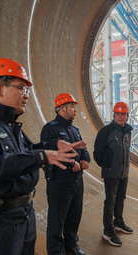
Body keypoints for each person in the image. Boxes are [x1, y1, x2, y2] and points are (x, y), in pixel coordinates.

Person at [0, 58, 77, 255]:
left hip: (23, 218)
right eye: (22, 88)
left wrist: (54, 146)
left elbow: (26, 152)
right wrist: (42, 156)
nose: (27, 95)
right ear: (0, 89)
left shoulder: (9, 125)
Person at [40, 93, 90, 255]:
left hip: (76, 181)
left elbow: (82, 148)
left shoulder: (75, 130)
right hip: (59, 182)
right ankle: (56, 251)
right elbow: (48, 150)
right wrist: (71, 164)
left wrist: (85, 159)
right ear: (61, 108)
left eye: (75, 106)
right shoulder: (50, 129)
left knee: (74, 215)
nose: (75, 109)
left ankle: (71, 245)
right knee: (57, 220)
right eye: (72, 106)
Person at [93, 102, 133, 247]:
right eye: (118, 114)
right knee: (110, 201)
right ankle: (108, 230)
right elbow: (97, 153)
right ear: (114, 115)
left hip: (124, 172)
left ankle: (118, 222)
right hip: (111, 173)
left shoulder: (128, 131)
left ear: (127, 116)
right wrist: (108, 166)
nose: (120, 117)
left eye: (123, 114)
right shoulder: (106, 131)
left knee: (121, 198)